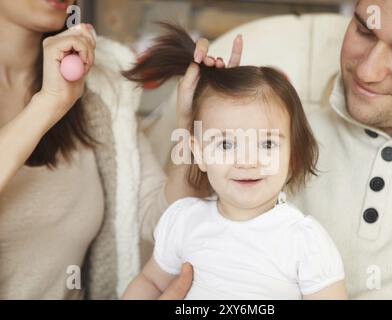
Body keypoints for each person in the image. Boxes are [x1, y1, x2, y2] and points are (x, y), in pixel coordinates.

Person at [166, 0, 392, 299]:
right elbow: (181, 230)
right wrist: (199, 121)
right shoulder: (285, 130)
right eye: (364, 31)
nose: (367, 71)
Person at [0, 0, 224, 299]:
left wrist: (195, 126)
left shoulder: (102, 84)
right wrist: (48, 104)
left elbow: (157, 219)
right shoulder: (59, 94)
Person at [121, 24, 348, 300]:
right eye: (226, 144)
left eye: (267, 144)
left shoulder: (305, 241)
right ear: (199, 154)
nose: (247, 161)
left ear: (293, 156)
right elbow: (152, 283)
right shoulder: (184, 220)